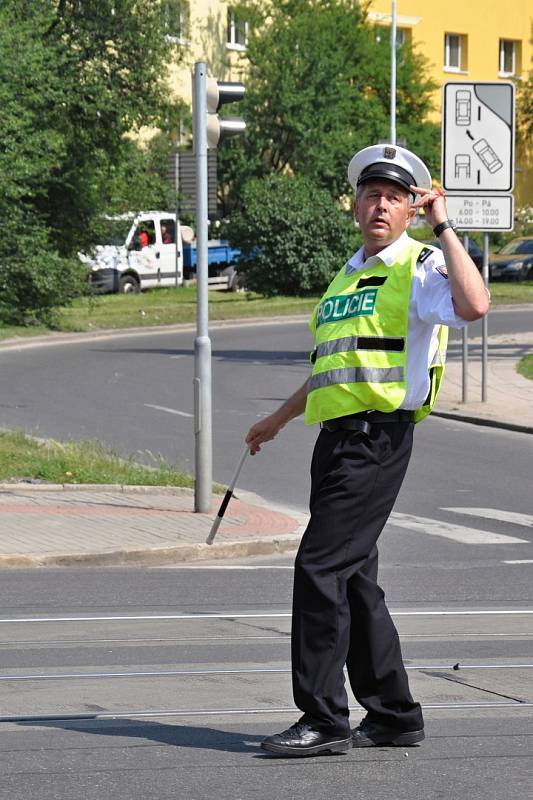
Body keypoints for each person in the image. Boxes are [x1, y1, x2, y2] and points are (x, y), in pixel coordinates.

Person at [245, 144, 489, 758]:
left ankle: (324, 719)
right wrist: (276, 419)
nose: (381, 205)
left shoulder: (422, 265)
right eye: (372, 195)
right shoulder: (347, 276)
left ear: (411, 211)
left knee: (319, 567)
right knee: (354, 581)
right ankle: (394, 714)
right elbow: (333, 366)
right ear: (354, 206)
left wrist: (446, 226)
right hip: (333, 443)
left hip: (377, 440)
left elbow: (476, 305)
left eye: (396, 198)